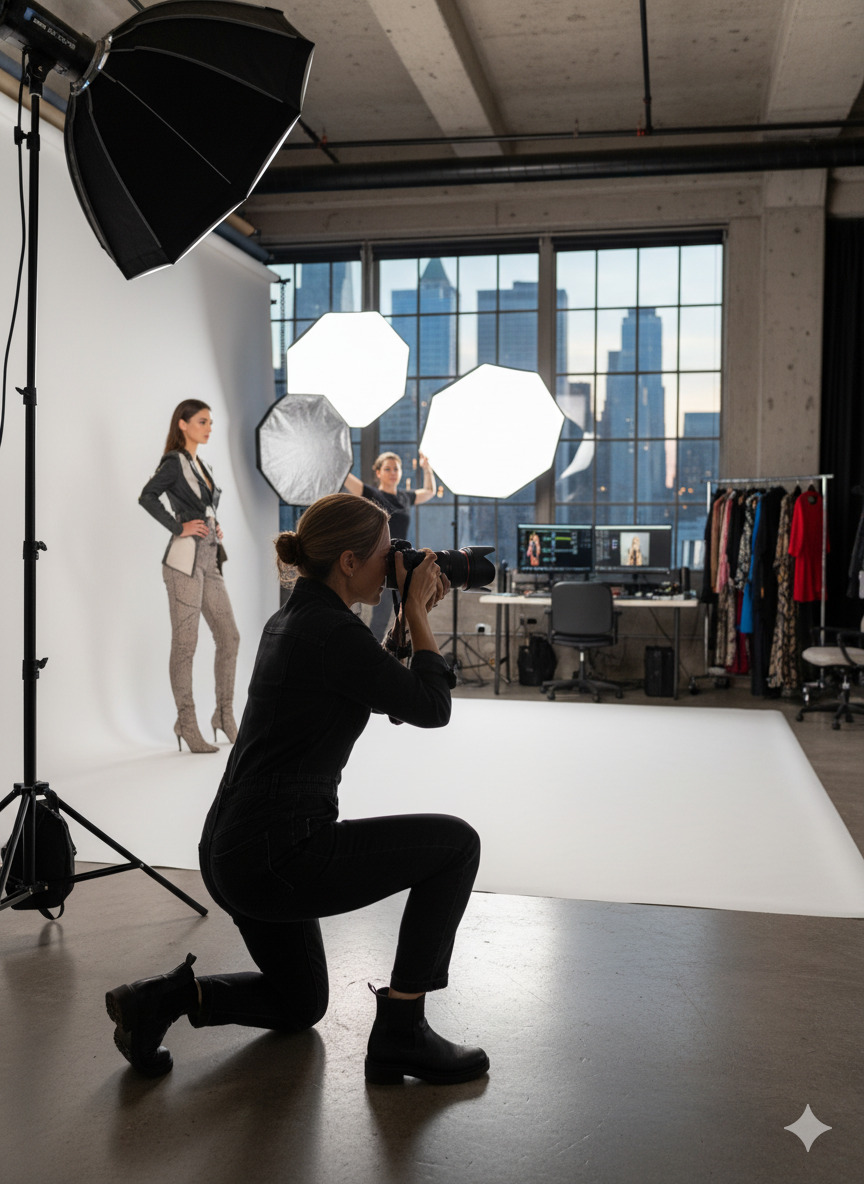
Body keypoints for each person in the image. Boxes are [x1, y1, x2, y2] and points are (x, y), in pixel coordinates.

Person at [105, 493, 489, 1087]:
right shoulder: (331, 632)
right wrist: (417, 614)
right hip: (278, 854)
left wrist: (405, 613)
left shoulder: (296, 618)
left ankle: (162, 1000)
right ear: (347, 561)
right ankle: (402, 1031)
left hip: (231, 848)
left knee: (301, 1004)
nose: (395, 565)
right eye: (387, 554)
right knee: (457, 846)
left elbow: (373, 682)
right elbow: (430, 708)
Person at [139, 400, 240, 754]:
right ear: (182, 424)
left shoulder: (202, 464)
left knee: (230, 637)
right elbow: (147, 497)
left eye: (211, 421)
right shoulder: (174, 462)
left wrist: (214, 525)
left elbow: (204, 507)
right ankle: (186, 720)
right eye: (202, 421)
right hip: (183, 563)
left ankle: (224, 715)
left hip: (210, 559)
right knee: (186, 644)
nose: (209, 427)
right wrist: (178, 526)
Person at [344, 451, 437, 639]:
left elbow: (429, 492)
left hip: (402, 563)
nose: (392, 472)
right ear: (378, 473)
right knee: (381, 616)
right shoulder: (372, 494)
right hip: (379, 562)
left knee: (405, 617)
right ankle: (372, 655)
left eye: (396, 468)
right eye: (387, 469)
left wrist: (427, 469)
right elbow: (345, 477)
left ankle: (396, 656)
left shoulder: (405, 498)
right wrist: (338, 458)